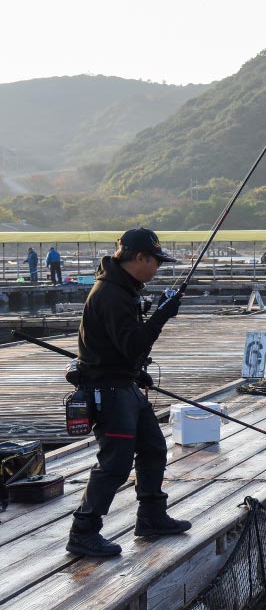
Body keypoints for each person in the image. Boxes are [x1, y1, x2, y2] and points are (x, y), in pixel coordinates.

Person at [66, 228, 186, 558]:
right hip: (108, 391)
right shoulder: (110, 295)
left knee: (152, 448)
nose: (158, 267)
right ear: (139, 258)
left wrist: (136, 372)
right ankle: (83, 531)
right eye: (156, 261)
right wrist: (162, 314)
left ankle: (151, 517)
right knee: (115, 464)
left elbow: (123, 348)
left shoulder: (123, 290)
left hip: (125, 385)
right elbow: (134, 344)